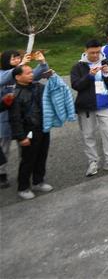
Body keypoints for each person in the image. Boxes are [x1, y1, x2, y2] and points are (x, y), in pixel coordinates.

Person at [71, 39, 108, 175]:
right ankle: (93, 162)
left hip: (105, 104)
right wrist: (89, 76)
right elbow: (76, 85)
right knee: (88, 134)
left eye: (98, 52)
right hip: (87, 107)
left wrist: (107, 73)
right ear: (86, 51)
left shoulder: (106, 62)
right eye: (92, 53)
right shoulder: (78, 67)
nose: (95, 55)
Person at [1, 50, 50, 189]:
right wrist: (20, 67)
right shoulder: (4, 75)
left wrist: (42, 62)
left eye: (18, 58)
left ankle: (32, 178)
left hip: (24, 120)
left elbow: (34, 74)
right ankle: (2, 173)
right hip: (4, 118)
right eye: (13, 59)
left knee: (27, 152)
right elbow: (6, 78)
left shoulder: (22, 75)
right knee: (4, 148)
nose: (17, 60)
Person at [7, 65, 54, 200]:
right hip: (28, 131)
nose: (31, 75)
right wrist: (21, 137)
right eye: (27, 73)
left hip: (43, 127)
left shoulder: (38, 87)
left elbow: (53, 93)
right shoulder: (14, 94)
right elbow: (15, 118)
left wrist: (52, 78)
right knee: (28, 159)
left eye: (31, 72)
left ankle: (38, 181)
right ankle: (23, 187)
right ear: (17, 77)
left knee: (41, 155)